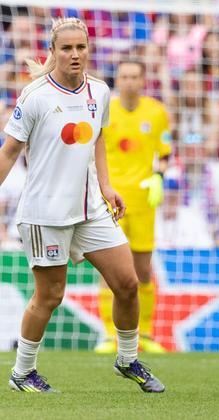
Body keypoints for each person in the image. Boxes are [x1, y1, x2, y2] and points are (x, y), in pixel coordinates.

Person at [0, 17, 164, 393]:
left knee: (127, 283)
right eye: (67, 48)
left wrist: (106, 185)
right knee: (50, 296)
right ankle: (22, 373)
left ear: (89, 48)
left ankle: (127, 360)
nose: (75, 54)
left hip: (90, 208)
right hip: (46, 212)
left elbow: (98, 139)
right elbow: (9, 153)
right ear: (53, 52)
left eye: (81, 47)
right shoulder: (36, 96)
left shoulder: (100, 91)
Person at [94, 59, 171, 354]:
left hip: (142, 201)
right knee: (108, 269)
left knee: (142, 269)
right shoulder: (105, 110)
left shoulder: (157, 112)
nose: (129, 81)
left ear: (143, 79)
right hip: (109, 199)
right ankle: (108, 334)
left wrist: (158, 177)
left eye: (134, 76)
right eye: (124, 76)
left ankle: (147, 333)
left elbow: (165, 152)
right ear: (118, 80)